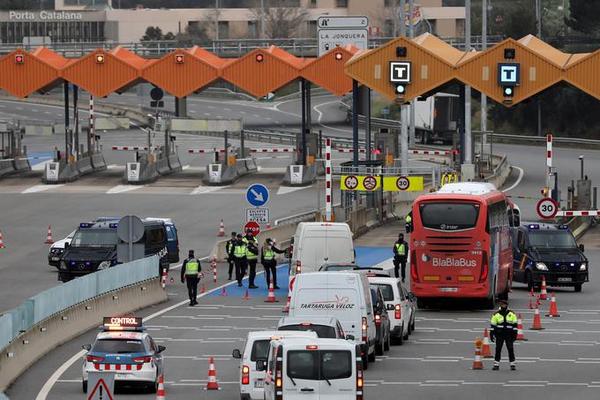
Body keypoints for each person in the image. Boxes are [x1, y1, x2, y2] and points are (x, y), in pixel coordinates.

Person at [490, 300, 518, 371]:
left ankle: (512, 364)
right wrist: (491, 333)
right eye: (502, 305)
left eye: (505, 305)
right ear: (500, 305)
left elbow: (515, 324)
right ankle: (496, 365)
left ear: (507, 305)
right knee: (498, 349)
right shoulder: (496, 314)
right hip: (499, 334)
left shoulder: (512, 314)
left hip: (509, 334)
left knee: (510, 349)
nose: (503, 306)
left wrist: (515, 334)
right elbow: (493, 325)